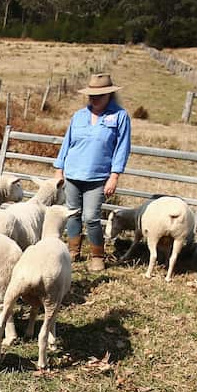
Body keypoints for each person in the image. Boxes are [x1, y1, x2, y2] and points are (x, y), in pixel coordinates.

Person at [52, 73, 131, 272]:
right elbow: (67, 143)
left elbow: (122, 147)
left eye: (99, 96)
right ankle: (73, 251)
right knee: (72, 214)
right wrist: (59, 169)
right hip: (73, 173)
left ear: (109, 95)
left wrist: (114, 176)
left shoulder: (119, 116)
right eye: (91, 96)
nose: (94, 99)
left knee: (91, 217)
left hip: (97, 176)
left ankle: (97, 255)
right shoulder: (79, 116)